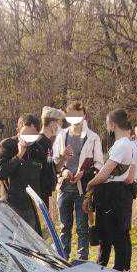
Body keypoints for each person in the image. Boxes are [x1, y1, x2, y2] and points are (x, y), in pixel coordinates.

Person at [83, 108, 137, 271]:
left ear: (113, 125)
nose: (107, 127)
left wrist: (90, 185)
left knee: (113, 236)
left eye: (107, 124)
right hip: (123, 194)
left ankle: (116, 270)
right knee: (120, 235)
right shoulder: (133, 146)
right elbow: (131, 178)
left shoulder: (121, 145)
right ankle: (120, 269)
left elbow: (104, 174)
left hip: (114, 196)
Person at [51, 102, 104, 261]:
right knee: (64, 226)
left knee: (82, 228)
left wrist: (83, 173)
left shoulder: (93, 137)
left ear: (84, 116)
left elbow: (99, 164)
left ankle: (82, 261)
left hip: (83, 188)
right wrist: (64, 171)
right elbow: (55, 161)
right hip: (64, 186)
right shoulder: (62, 135)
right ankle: (62, 259)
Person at [0, 114, 50, 232]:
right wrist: (19, 156)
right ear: (18, 130)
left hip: (30, 207)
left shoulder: (38, 149)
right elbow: (1, 173)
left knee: (31, 241)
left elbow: (44, 178)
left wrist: (43, 207)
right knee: (9, 241)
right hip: (10, 204)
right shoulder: (7, 145)